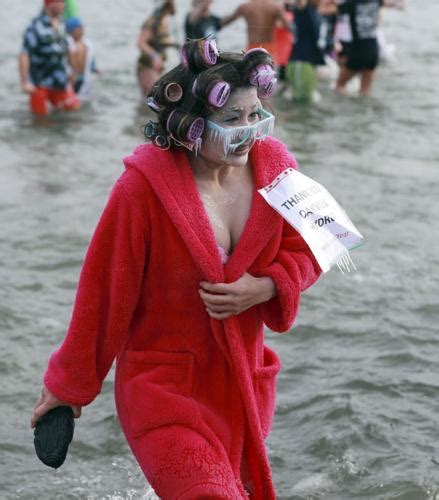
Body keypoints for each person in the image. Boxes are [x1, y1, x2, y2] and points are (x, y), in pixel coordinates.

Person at [31, 39, 321, 499]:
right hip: (163, 389)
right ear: (191, 125)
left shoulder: (278, 172)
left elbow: (314, 247)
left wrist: (266, 286)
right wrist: (67, 389)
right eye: (230, 120)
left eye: (254, 116)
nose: (247, 132)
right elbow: (104, 295)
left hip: (241, 384)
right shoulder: (141, 192)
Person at [320, 0, 404, 96]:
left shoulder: (352, 3)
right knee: (365, 92)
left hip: (358, 50)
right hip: (373, 50)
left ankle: (347, 109)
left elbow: (325, 11)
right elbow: (390, 4)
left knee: (339, 86)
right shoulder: (376, 1)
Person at [19, 0, 80, 116]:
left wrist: (73, 72)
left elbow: (67, 49)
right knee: (40, 121)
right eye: (60, 2)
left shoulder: (62, 24)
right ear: (49, 4)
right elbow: (24, 54)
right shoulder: (35, 26)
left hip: (60, 80)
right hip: (40, 82)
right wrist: (24, 82)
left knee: (73, 112)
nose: (64, 5)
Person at [222, 0, 290, 65]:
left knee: (251, 74)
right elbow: (287, 26)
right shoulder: (275, 7)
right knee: (270, 74)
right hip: (269, 48)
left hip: (252, 48)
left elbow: (227, 21)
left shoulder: (246, 7)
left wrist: (215, 21)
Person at [286, 0, 326, 102]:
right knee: (301, 103)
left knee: (307, 101)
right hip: (301, 63)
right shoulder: (304, 10)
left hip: (308, 64)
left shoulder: (315, 12)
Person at [137, 0, 177, 96]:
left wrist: (174, 45)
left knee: (156, 99)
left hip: (157, 67)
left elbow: (159, 40)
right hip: (147, 67)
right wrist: (155, 56)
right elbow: (140, 42)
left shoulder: (165, 19)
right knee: (154, 98)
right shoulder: (153, 21)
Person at [66, 17, 100, 101]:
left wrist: (95, 69)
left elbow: (91, 60)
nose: (82, 29)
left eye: (82, 27)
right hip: (72, 79)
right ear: (72, 31)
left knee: (82, 100)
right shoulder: (67, 45)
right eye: (79, 27)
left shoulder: (88, 44)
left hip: (84, 79)